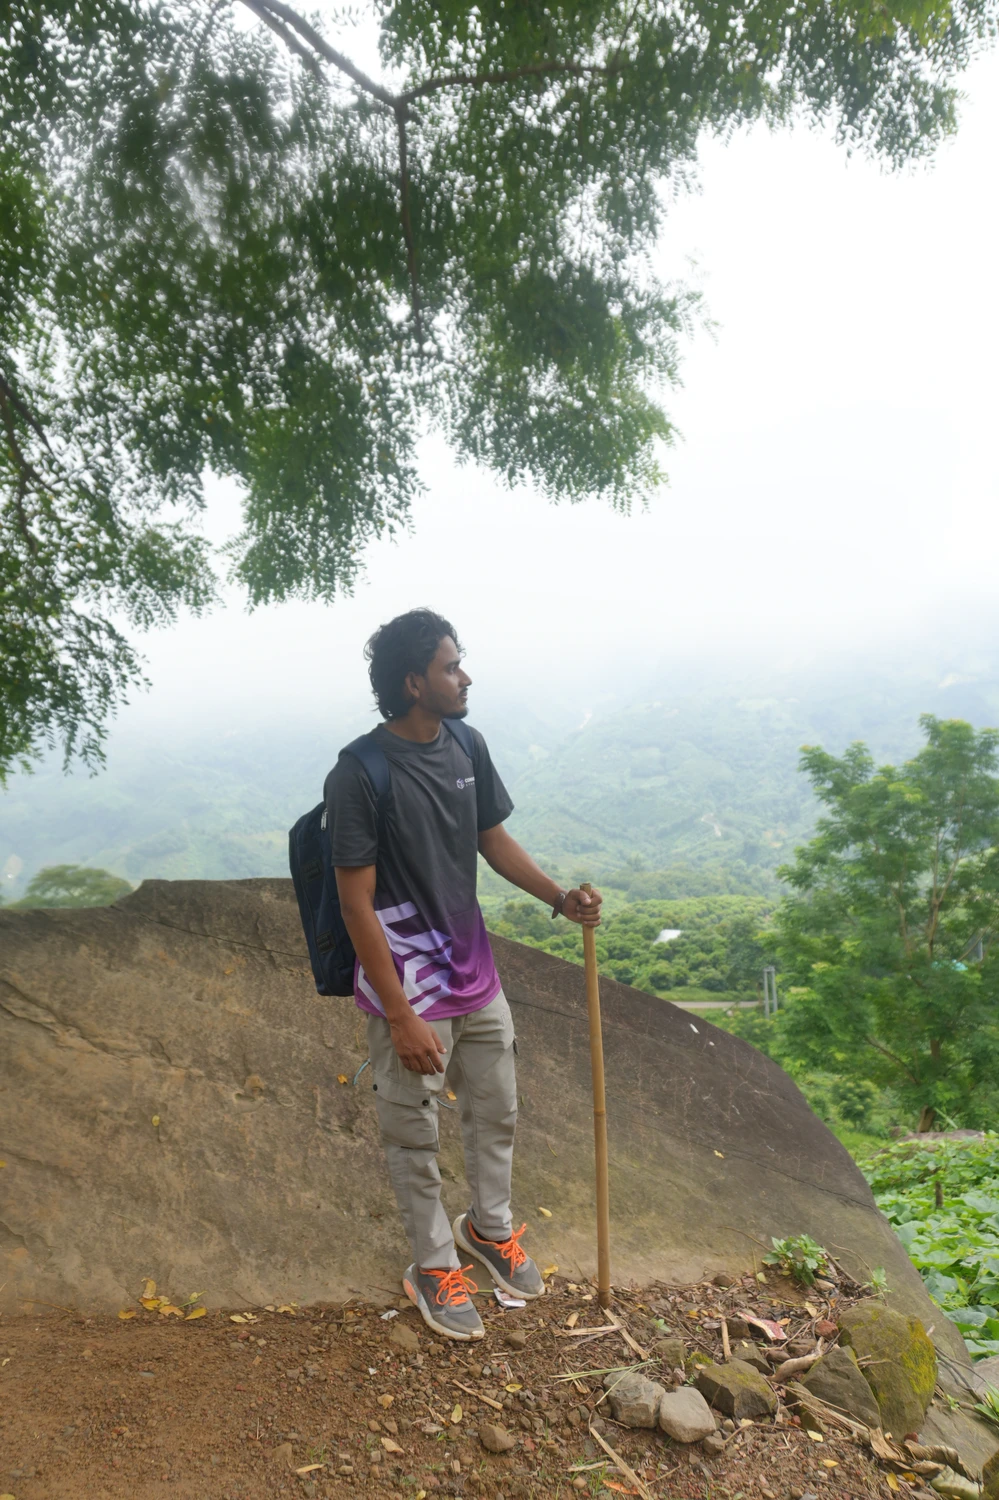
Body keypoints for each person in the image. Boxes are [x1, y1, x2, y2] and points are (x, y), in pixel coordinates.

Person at [328, 608, 602, 1341]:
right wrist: (398, 1015)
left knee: (497, 1108)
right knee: (413, 1132)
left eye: (460, 662)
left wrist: (557, 901)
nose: (465, 676)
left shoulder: (465, 744)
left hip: (475, 976)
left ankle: (489, 1229)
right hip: (410, 989)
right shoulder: (360, 772)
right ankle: (432, 1263)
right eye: (451, 667)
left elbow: (490, 837)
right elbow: (355, 902)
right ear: (415, 682)